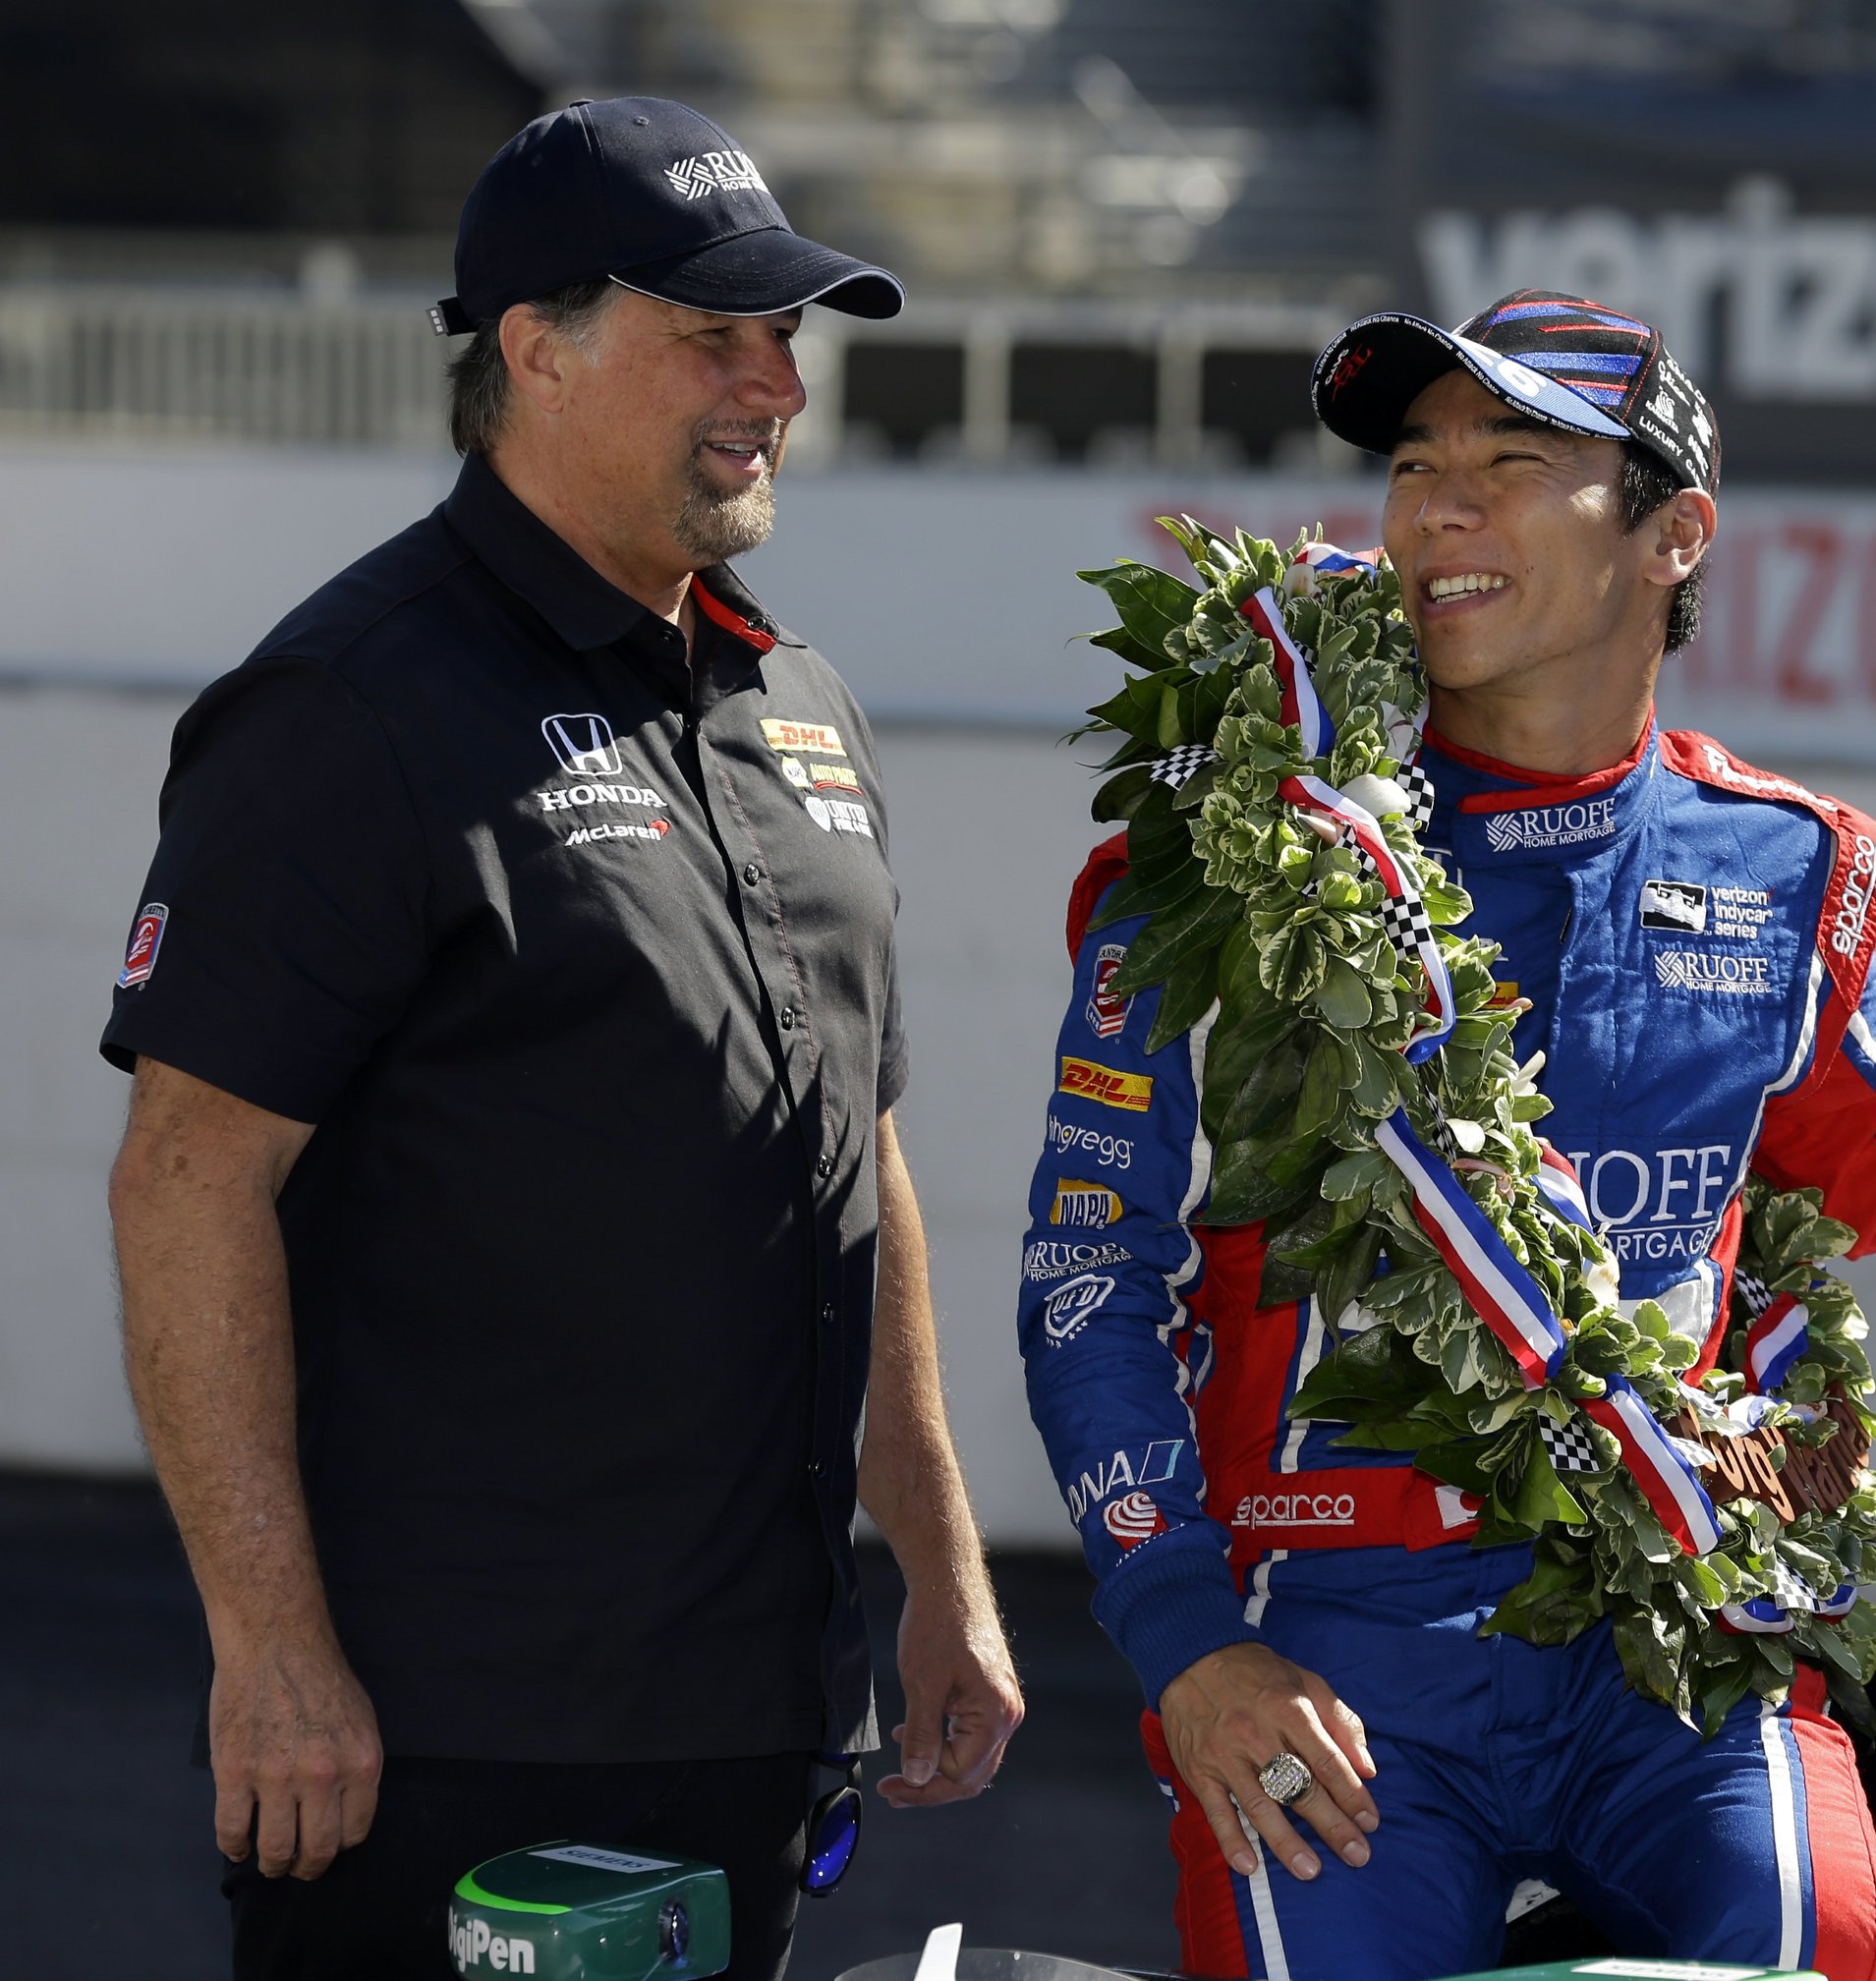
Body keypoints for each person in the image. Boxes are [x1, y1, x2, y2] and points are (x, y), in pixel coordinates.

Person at [1016, 289, 1876, 1981]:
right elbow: (1093, 1273)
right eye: (1414, 462)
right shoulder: (1238, 851)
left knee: (1825, 1947)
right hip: (1330, 1648)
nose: (1436, 506)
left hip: (1677, 1643)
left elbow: (1867, 1155)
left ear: (1674, 536)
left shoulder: (1783, 866)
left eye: (1513, 460)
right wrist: (1184, 1650)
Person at [101, 97, 1022, 1981]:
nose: (777, 379)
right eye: (716, 332)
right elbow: (189, 1176)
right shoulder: (347, 709)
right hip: (442, 1738)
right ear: (533, 347)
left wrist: (938, 1562)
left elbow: (862, 1153)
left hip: (762, 1716)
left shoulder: (798, 698)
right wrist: (270, 1650)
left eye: (788, 336)